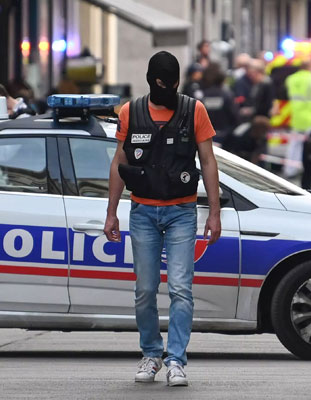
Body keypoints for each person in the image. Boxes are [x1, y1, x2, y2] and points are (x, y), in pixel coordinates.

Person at [103, 51, 222, 387]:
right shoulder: (131, 112)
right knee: (145, 290)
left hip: (182, 212)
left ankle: (176, 360)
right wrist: (111, 212)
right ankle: (152, 354)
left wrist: (214, 212)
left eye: (172, 84)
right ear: (150, 81)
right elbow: (119, 162)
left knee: (181, 289)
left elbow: (209, 162)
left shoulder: (194, 111)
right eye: (161, 84)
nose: (167, 90)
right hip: (142, 211)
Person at [284, 59, 311, 177]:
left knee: (294, 145)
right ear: (310, 66)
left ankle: (290, 169)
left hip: (295, 115)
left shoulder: (291, 79)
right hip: (309, 116)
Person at [200, 63, 239, 148]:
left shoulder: (203, 95)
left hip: (206, 136)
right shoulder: (227, 95)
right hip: (225, 136)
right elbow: (234, 115)